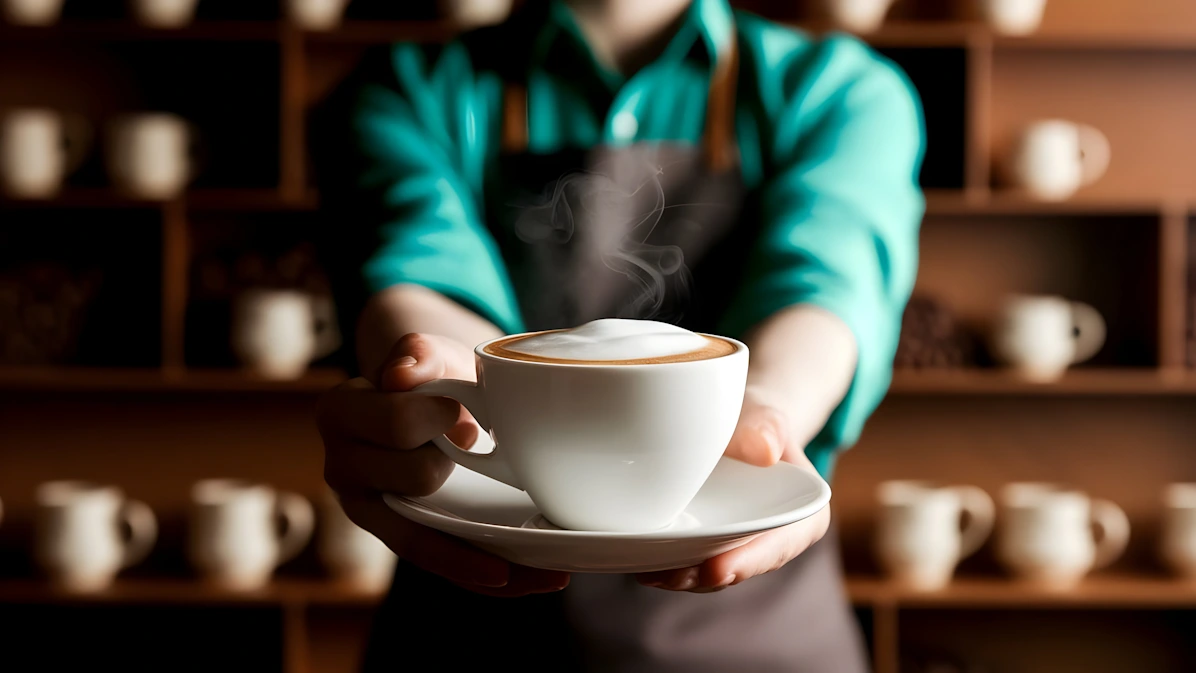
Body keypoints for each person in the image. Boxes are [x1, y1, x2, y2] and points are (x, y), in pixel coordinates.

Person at [313, 0, 924, 669]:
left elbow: (828, 284)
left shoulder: (835, 89)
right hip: (476, 628)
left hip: (758, 632)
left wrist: (772, 407)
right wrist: (435, 381)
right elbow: (417, 272)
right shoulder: (410, 87)